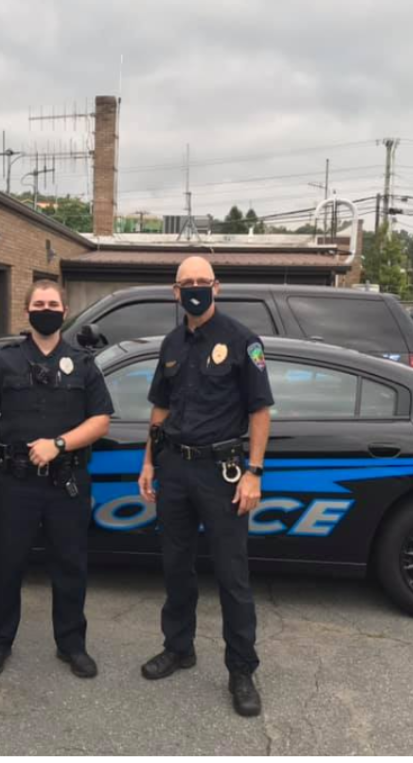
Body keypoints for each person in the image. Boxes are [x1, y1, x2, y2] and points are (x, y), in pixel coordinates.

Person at [136, 256, 273, 717]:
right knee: (176, 567)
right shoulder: (172, 343)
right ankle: (179, 648)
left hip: (223, 473)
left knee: (232, 577)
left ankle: (241, 670)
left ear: (217, 287)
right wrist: (149, 464)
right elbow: (160, 409)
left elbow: (259, 412)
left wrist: (254, 472)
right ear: (174, 292)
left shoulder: (242, 341)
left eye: (202, 281)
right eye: (185, 283)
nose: (194, 289)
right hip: (174, 468)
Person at [0, 280, 113, 678]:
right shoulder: (6, 361)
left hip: (65, 484)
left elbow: (101, 420)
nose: (45, 309)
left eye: (52, 303)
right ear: (27, 311)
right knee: (7, 565)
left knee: (69, 566)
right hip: (14, 483)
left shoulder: (83, 364)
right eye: (38, 303)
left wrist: (60, 444)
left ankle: (71, 645)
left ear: (64, 312)